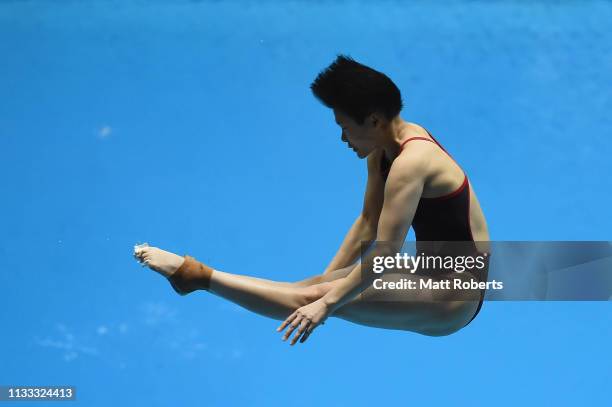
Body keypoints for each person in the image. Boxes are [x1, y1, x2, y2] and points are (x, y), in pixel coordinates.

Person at [134, 54, 490, 345]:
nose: (342, 137)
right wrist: (327, 280)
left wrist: (326, 302)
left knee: (313, 299)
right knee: (311, 289)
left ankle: (196, 276)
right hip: (430, 275)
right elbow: (367, 221)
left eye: (345, 127)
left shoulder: (412, 162)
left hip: (453, 297)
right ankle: (196, 277)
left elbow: (384, 253)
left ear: (374, 119)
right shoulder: (384, 148)